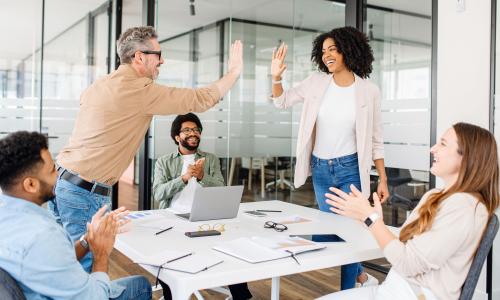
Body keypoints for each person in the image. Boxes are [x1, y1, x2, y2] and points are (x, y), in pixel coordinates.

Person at [48, 26, 244, 271]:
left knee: (63, 264)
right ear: (139, 57)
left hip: (61, 182)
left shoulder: (100, 85)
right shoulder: (139, 90)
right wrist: (234, 72)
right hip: (84, 193)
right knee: (85, 273)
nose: (162, 60)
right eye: (158, 54)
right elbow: (200, 99)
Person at [320, 122, 499, 300]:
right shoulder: (436, 195)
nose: (433, 149)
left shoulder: (464, 208)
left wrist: (372, 219)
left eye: (443, 144)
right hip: (394, 289)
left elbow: (407, 263)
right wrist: (371, 220)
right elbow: (403, 248)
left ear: (467, 158)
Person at [269, 26, 388, 289]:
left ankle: (349, 290)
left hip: (350, 169)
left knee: (349, 232)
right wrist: (276, 78)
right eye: (323, 51)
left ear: (349, 50)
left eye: (333, 49)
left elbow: (376, 139)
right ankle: (361, 278)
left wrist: (383, 178)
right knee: (333, 230)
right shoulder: (316, 82)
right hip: (321, 170)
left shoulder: (369, 91)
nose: (327, 55)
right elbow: (282, 101)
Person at [0, 131, 152, 300]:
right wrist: (101, 253)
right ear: (30, 184)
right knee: (141, 285)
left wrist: (88, 239)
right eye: (52, 171)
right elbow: (95, 297)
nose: (58, 175)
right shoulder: (43, 235)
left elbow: (53, 261)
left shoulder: (10, 216)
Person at [153, 113, 252, 300]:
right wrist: (183, 178)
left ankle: (242, 296)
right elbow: (158, 193)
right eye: (188, 130)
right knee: (168, 257)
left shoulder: (211, 159)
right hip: (174, 218)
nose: (194, 133)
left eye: (197, 130)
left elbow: (221, 188)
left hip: (207, 217)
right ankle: (172, 296)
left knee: (232, 248)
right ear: (177, 137)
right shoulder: (164, 162)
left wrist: (201, 177)